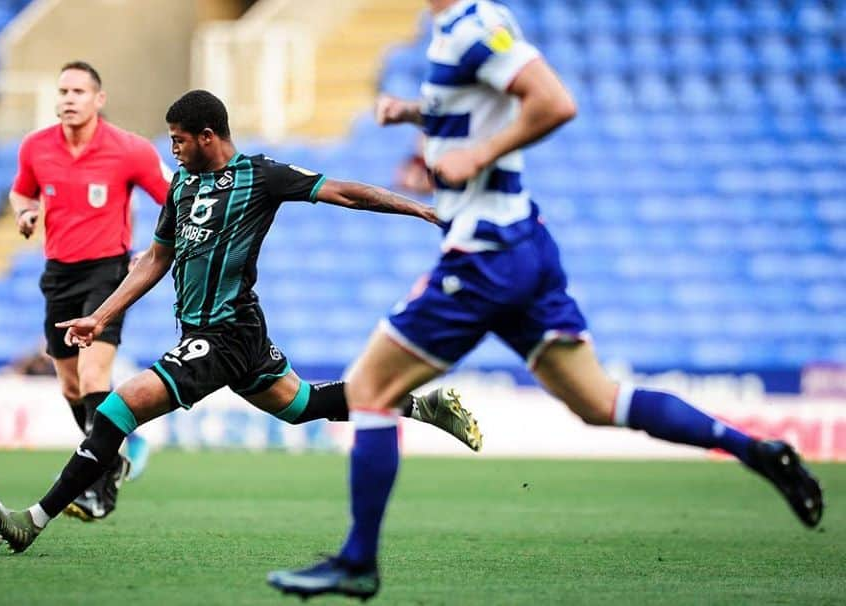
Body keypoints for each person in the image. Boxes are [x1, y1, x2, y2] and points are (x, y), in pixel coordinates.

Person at [267, 1, 825, 600]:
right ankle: (757, 450)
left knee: (369, 390)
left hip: (485, 254)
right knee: (598, 401)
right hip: (522, 244)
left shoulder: (470, 27)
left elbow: (554, 100)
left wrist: (476, 155)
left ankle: (357, 561)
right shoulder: (470, 26)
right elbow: (482, 103)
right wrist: (413, 112)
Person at [0, 89, 484, 553]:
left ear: (208, 136)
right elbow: (157, 260)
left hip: (224, 334)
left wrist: (419, 209)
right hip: (231, 332)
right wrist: (100, 317)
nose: (173, 150)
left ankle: (32, 520)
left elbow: (347, 193)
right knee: (303, 405)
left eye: (179, 140)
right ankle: (422, 406)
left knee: (118, 409)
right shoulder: (181, 186)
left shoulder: (259, 176)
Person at [9, 61, 166, 521]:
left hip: (108, 273)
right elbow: (21, 192)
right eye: (62, 90)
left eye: (79, 90)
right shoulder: (36, 148)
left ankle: (99, 489)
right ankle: (111, 456)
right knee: (71, 384)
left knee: (95, 375)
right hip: (58, 272)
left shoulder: (129, 150)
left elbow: (173, 196)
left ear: (99, 99)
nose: (68, 98)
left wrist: (158, 247)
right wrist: (24, 213)